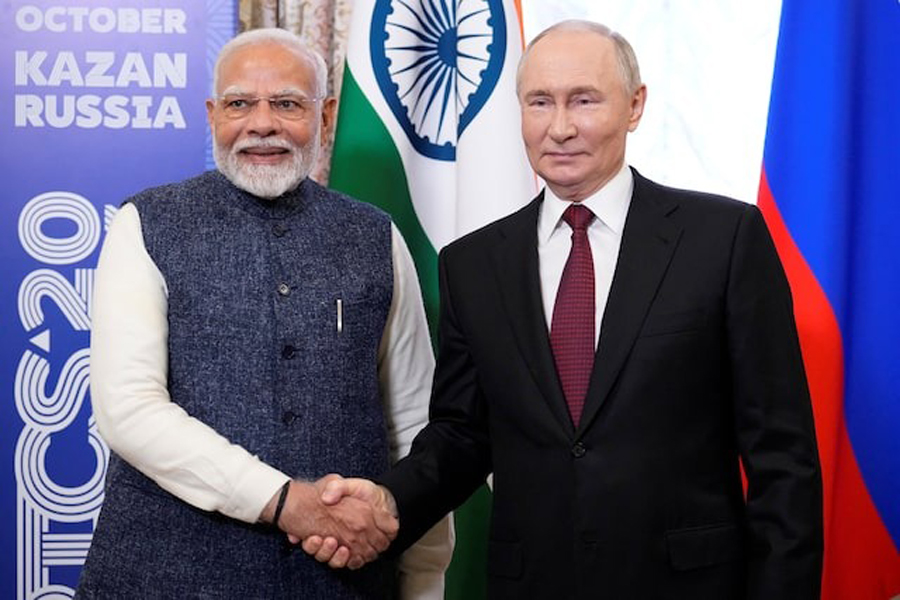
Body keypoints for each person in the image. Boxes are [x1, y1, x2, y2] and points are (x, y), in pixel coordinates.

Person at [310, 19, 823, 599]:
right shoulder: (472, 265)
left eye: (583, 100)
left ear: (634, 106)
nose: (559, 128)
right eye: (539, 102)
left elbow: (783, 458)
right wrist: (389, 501)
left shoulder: (724, 238)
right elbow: (462, 436)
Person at [76, 28, 452, 599]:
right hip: (163, 577)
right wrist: (286, 503)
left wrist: (424, 582)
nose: (261, 124)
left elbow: (414, 423)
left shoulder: (377, 236)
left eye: (286, 103)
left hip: (342, 584)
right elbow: (129, 409)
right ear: (212, 115)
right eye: (239, 103)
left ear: (326, 118)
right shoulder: (145, 224)